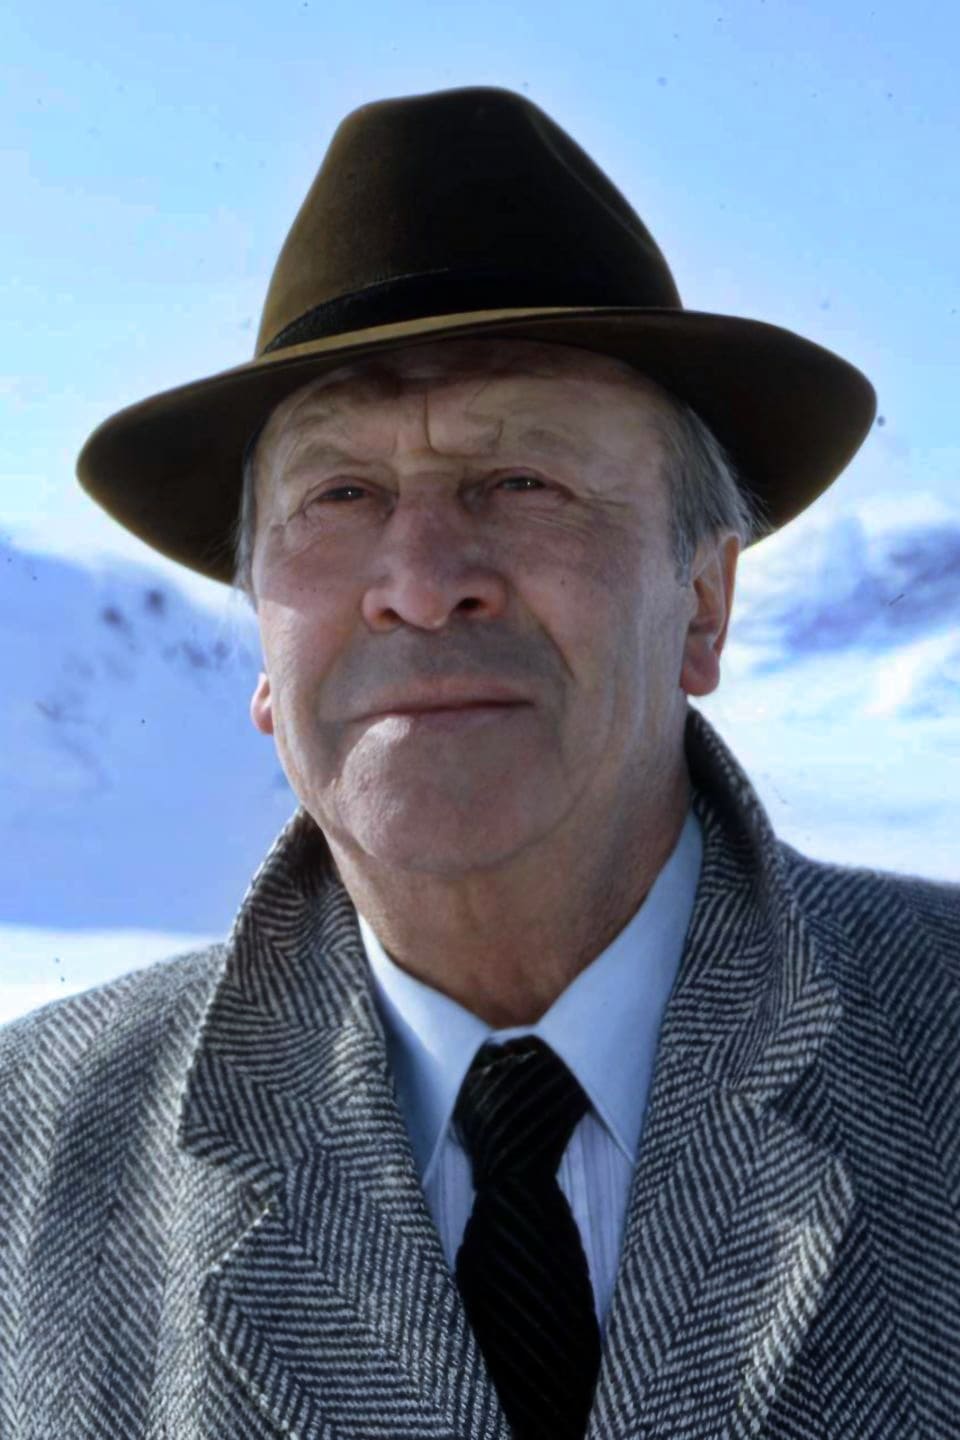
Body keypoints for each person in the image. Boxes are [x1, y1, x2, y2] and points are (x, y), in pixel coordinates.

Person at [1, 86, 957, 1440]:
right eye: (339, 496)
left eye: (523, 481)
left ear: (702, 603)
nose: (420, 580)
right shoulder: (29, 1156)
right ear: (263, 645)